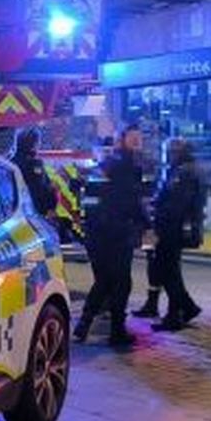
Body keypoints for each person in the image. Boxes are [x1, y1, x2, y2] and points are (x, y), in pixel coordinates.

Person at [75, 127, 148, 348]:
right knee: (121, 282)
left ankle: (84, 323)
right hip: (116, 231)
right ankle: (117, 331)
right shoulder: (127, 165)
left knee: (105, 279)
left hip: (97, 230)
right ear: (122, 140)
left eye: (139, 137)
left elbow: (90, 194)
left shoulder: (106, 163)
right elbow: (131, 200)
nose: (138, 141)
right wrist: (147, 224)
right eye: (133, 137)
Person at [142, 138, 204, 330]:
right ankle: (185, 308)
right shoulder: (180, 170)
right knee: (169, 271)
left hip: (171, 229)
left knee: (168, 271)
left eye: (168, 151)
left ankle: (175, 315)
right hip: (170, 227)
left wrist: (157, 210)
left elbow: (177, 204)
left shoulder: (183, 172)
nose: (166, 155)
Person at [11, 128, 58, 221]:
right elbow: (40, 188)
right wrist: (51, 203)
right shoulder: (33, 164)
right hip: (32, 212)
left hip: (15, 209)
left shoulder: (10, 162)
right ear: (32, 144)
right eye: (38, 142)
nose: (39, 144)